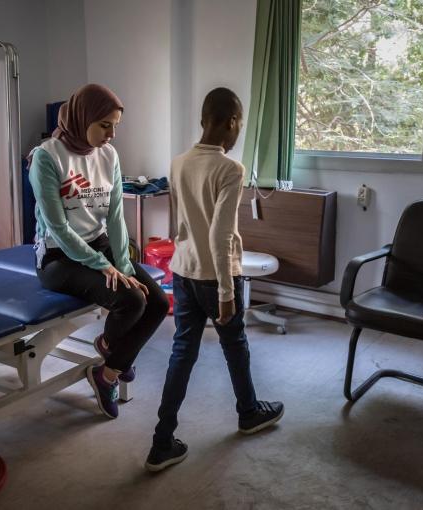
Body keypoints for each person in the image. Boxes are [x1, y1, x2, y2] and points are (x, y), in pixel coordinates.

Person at [145, 88, 284, 472]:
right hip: (214, 276)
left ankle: (161, 441)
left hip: (183, 270)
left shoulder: (178, 163)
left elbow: (185, 225)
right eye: (240, 123)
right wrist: (226, 291)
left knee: (182, 351)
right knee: (235, 345)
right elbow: (221, 235)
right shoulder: (230, 169)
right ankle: (249, 412)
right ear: (232, 123)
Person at [29, 83, 169, 419]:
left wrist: (123, 264)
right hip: (57, 256)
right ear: (83, 118)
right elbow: (59, 228)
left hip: (100, 244)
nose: (112, 134)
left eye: (116, 126)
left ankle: (107, 370)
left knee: (158, 302)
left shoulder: (109, 156)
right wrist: (104, 267)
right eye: (105, 125)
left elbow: (116, 215)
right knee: (131, 300)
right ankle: (116, 353)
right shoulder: (46, 157)